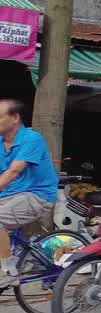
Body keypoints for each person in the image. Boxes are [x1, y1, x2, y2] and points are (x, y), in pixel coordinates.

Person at [0, 100, 58, 287]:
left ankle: (9, 271)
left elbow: (14, 171)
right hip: (10, 196)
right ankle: (25, 258)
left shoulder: (31, 139)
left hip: (37, 196)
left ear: (15, 117)